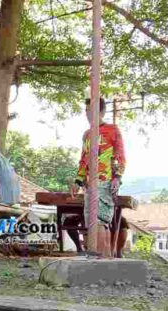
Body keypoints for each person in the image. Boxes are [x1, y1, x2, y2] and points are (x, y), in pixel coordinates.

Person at [70, 97, 126, 258]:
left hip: (104, 180)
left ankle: (102, 260)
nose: (87, 113)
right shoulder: (87, 134)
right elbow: (83, 159)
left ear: (101, 111)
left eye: (91, 110)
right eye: (86, 110)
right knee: (92, 223)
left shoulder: (112, 130)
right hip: (89, 184)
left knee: (100, 221)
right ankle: (104, 260)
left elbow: (120, 156)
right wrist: (78, 181)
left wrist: (117, 177)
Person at [64, 215, 129, 257]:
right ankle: (80, 248)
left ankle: (117, 251)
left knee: (122, 221)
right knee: (69, 220)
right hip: (86, 209)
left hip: (102, 210)